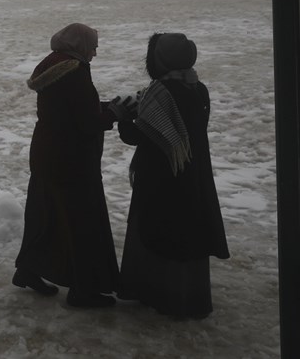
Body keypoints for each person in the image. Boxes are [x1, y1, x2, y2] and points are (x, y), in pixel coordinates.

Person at [117, 32, 230, 318]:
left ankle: (158, 295)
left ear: (161, 60)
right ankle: (188, 298)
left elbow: (137, 136)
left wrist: (123, 117)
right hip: (192, 173)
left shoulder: (159, 93)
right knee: (187, 233)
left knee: (159, 231)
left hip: (160, 178)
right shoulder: (198, 87)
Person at [13, 22, 125, 307]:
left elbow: (68, 109)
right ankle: (83, 289)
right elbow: (86, 123)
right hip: (71, 161)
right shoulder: (75, 71)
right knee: (81, 223)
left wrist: (105, 107)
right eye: (93, 47)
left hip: (46, 154)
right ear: (79, 45)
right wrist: (115, 113)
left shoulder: (52, 65)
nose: (95, 53)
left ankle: (28, 269)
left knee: (46, 216)